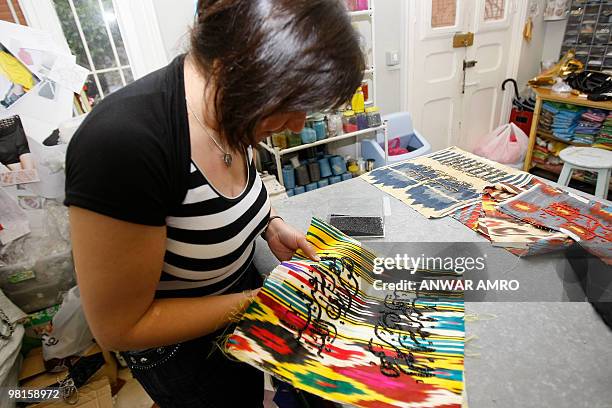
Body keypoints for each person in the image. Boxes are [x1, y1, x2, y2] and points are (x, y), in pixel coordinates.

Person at [65, 0, 364, 406]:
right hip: (179, 351)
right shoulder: (122, 144)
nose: (297, 125)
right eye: (291, 105)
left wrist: (269, 223)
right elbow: (120, 328)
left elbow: (225, 198)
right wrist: (260, 301)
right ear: (236, 68)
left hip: (235, 312)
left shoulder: (233, 109)